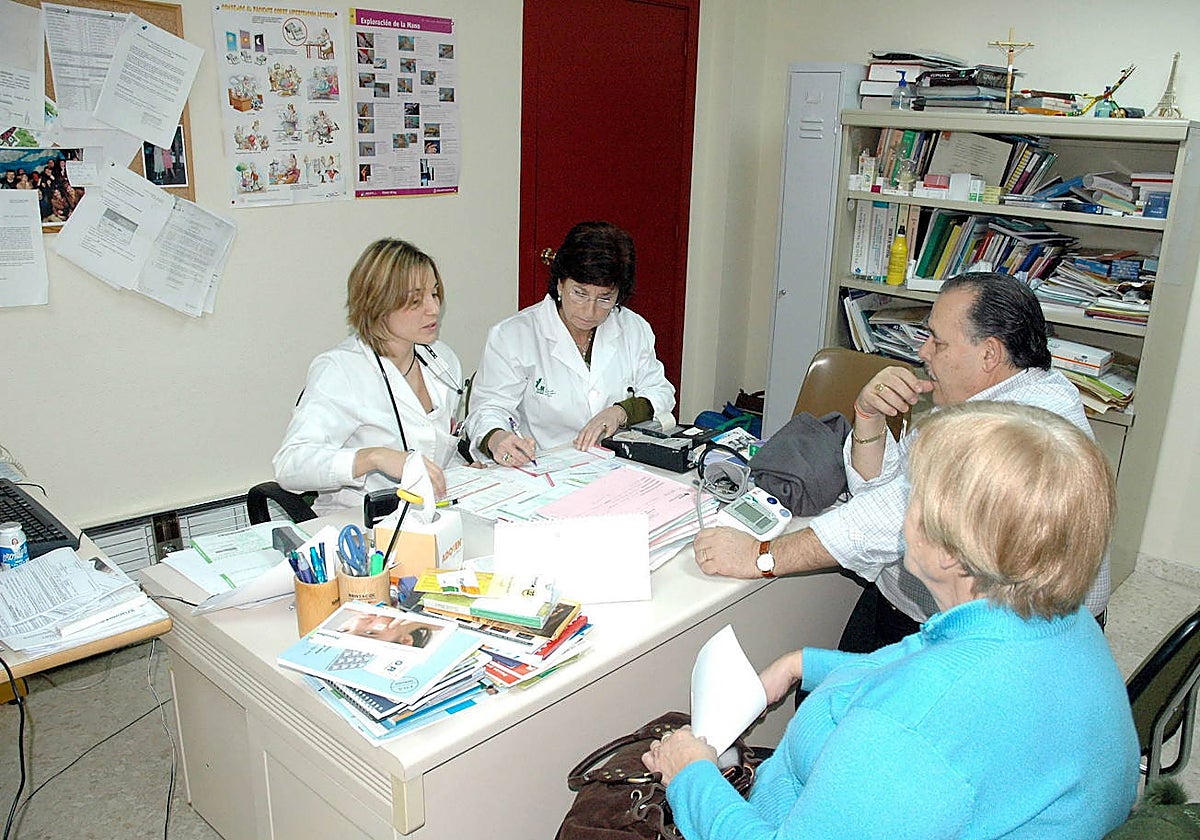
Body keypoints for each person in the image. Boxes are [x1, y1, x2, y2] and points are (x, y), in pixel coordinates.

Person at [643, 402, 1140, 839]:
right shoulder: (1057, 617)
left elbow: (915, 720)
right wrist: (803, 664)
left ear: (950, 553)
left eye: (912, 497)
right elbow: (925, 659)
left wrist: (692, 778)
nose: (902, 511)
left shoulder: (906, 736)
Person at [694, 272, 1110, 651]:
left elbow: (885, 517)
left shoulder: (1008, 431)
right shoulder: (1023, 390)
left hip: (983, 640)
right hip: (956, 612)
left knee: (830, 699)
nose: (923, 351)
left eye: (938, 342)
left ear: (989, 354)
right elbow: (885, 488)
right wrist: (869, 418)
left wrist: (760, 556)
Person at [273, 238, 467, 515]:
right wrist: (375, 457)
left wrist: (467, 471)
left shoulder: (442, 359)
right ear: (378, 304)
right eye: (415, 300)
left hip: (435, 511)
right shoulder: (341, 370)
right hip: (362, 523)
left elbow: (436, 445)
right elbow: (290, 465)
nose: (433, 309)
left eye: (434, 294)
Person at [465, 221, 675, 465]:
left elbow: (660, 392)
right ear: (560, 283)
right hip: (542, 465)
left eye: (605, 298)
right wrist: (498, 437)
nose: (590, 310)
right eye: (580, 293)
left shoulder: (632, 327)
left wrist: (621, 413)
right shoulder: (513, 335)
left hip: (619, 464)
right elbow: (488, 409)